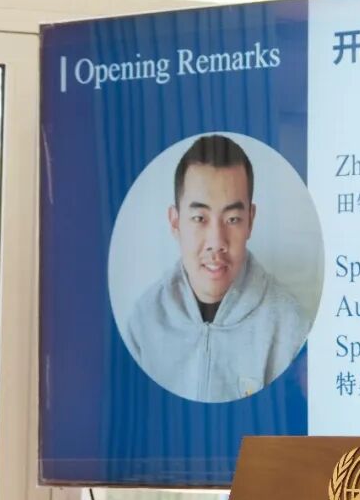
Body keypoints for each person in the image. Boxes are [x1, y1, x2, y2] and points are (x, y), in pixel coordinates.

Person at [125, 134, 307, 402]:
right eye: (199, 218)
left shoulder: (291, 328)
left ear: (250, 221)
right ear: (175, 222)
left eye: (232, 219)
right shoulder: (144, 321)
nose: (216, 242)